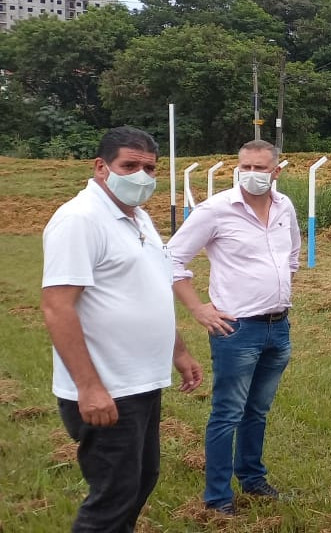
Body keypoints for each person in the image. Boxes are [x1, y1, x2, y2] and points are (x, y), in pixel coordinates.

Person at [41, 126, 203, 532]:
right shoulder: (80, 220)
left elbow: (150, 290)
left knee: (139, 481)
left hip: (141, 380)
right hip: (108, 387)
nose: (141, 177)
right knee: (112, 496)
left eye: (149, 168)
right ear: (100, 167)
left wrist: (178, 351)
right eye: (129, 166)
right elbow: (58, 307)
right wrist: (90, 388)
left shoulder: (139, 217)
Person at [167, 139, 300, 515]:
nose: (253, 174)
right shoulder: (215, 210)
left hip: (278, 325)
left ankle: (253, 478)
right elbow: (171, 259)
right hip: (236, 329)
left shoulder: (284, 206)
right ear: (237, 168)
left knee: (258, 410)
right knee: (228, 412)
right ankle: (218, 497)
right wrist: (199, 309)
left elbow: (291, 253)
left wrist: (281, 287)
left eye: (261, 168)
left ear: (276, 171)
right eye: (246, 167)